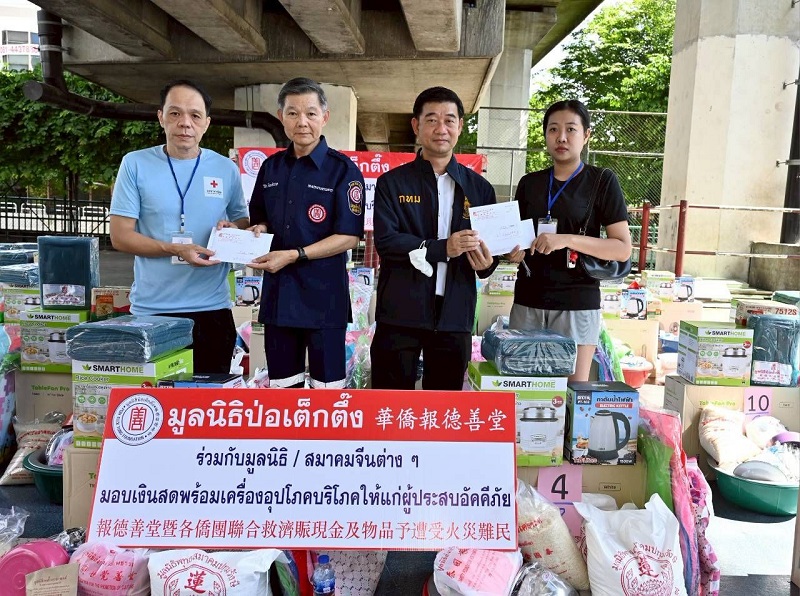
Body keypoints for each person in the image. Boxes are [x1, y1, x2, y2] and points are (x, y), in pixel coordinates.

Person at [110, 79, 249, 374]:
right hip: (152, 312)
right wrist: (173, 249)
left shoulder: (225, 168)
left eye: (195, 115)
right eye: (175, 113)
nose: (185, 123)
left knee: (208, 400)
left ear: (207, 123)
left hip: (212, 311)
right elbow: (120, 236)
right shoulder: (135, 164)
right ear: (161, 117)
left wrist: (232, 229)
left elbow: (243, 221)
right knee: (154, 400)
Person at [371, 86, 498, 390]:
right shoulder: (392, 183)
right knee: (390, 402)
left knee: (444, 407)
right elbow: (386, 242)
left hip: (455, 315)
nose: (441, 129)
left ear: (460, 126)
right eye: (431, 120)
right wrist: (443, 248)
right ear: (416, 125)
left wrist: (488, 263)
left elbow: (489, 254)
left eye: (449, 120)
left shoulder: (480, 188)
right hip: (400, 312)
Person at [248, 77, 365, 389]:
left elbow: (349, 236)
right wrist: (257, 229)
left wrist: (295, 255)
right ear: (281, 117)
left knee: (328, 393)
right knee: (283, 390)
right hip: (279, 299)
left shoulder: (344, 170)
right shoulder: (271, 168)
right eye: (292, 113)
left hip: (324, 301)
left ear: (324, 117)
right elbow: (259, 219)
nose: (302, 122)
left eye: (311, 113)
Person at [507, 99, 632, 381]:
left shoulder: (602, 181)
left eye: (571, 129)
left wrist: (566, 239)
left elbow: (622, 248)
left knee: (571, 393)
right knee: (525, 389)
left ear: (586, 135)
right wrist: (512, 253)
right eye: (553, 129)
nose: (561, 137)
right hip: (528, 299)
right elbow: (517, 240)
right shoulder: (530, 183)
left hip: (577, 302)